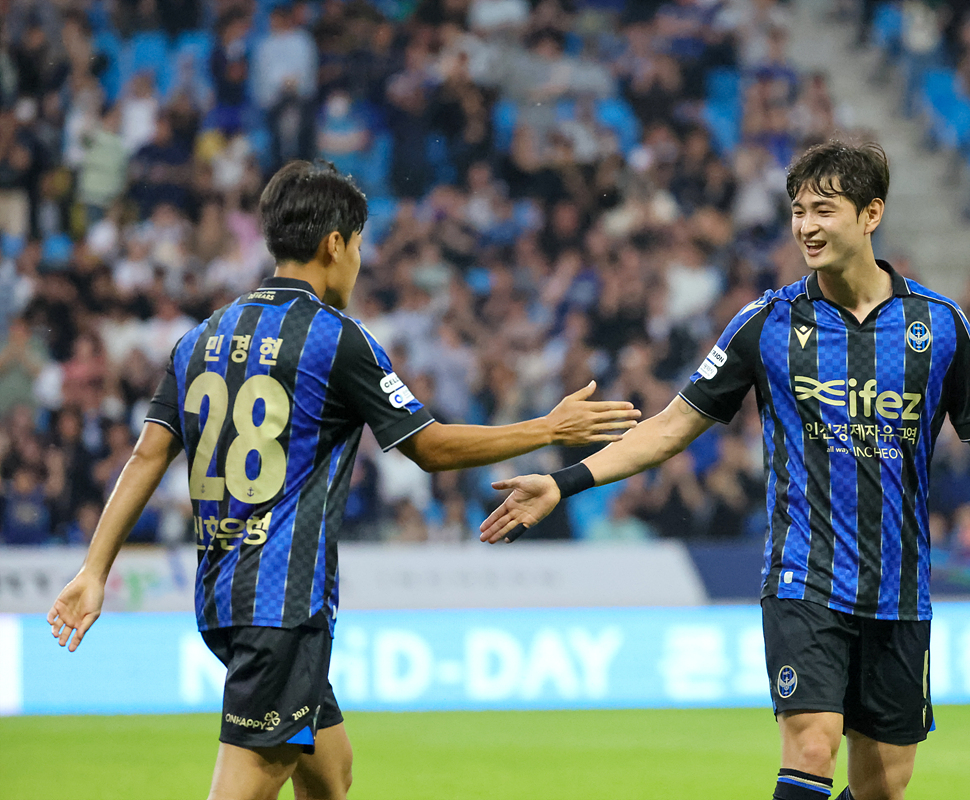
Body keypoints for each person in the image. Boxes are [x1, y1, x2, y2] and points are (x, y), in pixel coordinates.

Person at [480, 140, 970, 800]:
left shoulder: (939, 325)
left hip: (900, 587)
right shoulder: (766, 324)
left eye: (824, 210)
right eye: (797, 211)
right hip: (804, 575)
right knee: (812, 744)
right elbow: (671, 427)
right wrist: (563, 482)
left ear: (871, 214)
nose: (806, 226)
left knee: (884, 787)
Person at [46, 160, 640, 800]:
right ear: (335, 244)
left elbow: (145, 457)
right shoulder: (336, 340)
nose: (359, 262)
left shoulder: (201, 339)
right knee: (248, 784)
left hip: (222, 595)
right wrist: (547, 428)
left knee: (331, 775)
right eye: (358, 245)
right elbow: (430, 447)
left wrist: (93, 571)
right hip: (281, 603)